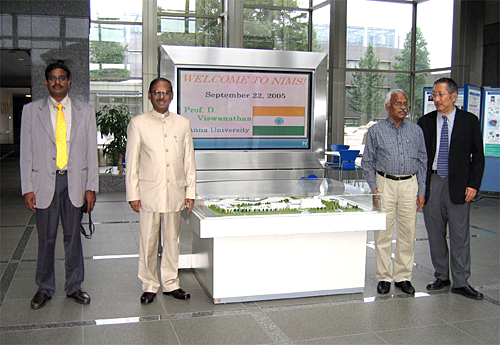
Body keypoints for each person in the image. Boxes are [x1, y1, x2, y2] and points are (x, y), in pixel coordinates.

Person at [20, 61, 98, 309]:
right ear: (46, 82)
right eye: (52, 78)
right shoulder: (32, 111)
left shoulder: (85, 111)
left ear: (69, 81)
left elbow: (90, 152)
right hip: (44, 183)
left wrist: (91, 187)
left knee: (73, 237)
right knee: (46, 238)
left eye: (61, 78)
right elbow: (26, 152)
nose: (57, 82)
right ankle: (44, 287)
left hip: (74, 182)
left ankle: (74, 286)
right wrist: (27, 188)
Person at [126, 77, 196, 305]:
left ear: (172, 95)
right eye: (156, 92)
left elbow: (188, 160)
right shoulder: (138, 123)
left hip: (175, 191)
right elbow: (132, 162)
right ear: (149, 95)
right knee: (148, 240)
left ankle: (170, 282)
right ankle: (149, 284)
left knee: (172, 239)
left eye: (165, 93)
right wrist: (133, 194)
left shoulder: (182, 123)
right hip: (148, 193)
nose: (161, 97)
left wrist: (190, 192)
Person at [417, 78, 485, 300]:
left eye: (440, 95)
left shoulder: (469, 121)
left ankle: (461, 282)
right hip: (433, 183)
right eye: (434, 95)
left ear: (453, 96)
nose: (436, 99)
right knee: (435, 233)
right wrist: (420, 188)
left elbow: (478, 156)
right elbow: (420, 158)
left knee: (459, 235)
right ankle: (441, 276)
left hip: (459, 185)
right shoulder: (425, 122)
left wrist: (473, 184)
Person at [362, 89, 427, 295]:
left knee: (408, 232)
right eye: (398, 103)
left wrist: (422, 190)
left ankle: (403, 276)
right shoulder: (376, 131)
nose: (403, 108)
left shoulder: (416, 130)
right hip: (385, 184)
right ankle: (384, 277)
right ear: (387, 106)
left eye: (405, 104)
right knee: (383, 233)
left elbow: (423, 161)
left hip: (410, 184)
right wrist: (374, 189)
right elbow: (368, 162)